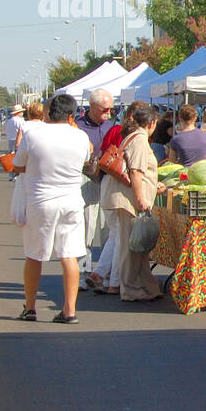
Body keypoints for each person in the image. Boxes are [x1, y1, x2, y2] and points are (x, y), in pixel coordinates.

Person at [11, 94, 92, 323]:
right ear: (71, 115)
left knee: (34, 255)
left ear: (48, 113)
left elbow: (18, 165)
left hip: (40, 201)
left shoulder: (33, 135)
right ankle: (70, 310)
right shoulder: (80, 136)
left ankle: (30, 307)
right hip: (71, 201)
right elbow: (87, 158)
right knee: (69, 255)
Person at [99, 103, 162, 303]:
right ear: (151, 123)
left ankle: (146, 286)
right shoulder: (140, 141)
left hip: (127, 197)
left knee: (138, 248)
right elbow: (135, 171)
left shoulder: (134, 137)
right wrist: (141, 198)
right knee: (130, 247)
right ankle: (130, 290)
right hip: (129, 200)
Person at [91, 105, 137, 296]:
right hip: (121, 183)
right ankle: (114, 281)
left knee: (114, 233)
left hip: (107, 181)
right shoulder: (133, 135)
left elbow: (103, 152)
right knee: (120, 235)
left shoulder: (113, 130)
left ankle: (102, 273)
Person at [75, 89, 115, 284]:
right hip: (87, 178)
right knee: (87, 227)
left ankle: (103, 273)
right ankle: (82, 274)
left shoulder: (111, 126)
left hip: (107, 179)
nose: (108, 113)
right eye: (105, 109)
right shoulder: (77, 127)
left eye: (111, 109)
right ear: (92, 107)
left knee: (107, 227)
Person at [5, 104, 26, 181]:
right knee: (18, 158)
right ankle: (17, 175)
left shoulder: (9, 121)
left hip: (10, 140)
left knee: (11, 157)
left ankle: (11, 174)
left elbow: (6, 131)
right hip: (19, 140)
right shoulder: (21, 121)